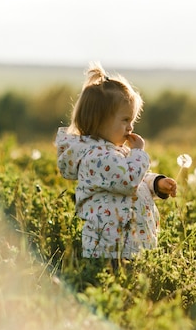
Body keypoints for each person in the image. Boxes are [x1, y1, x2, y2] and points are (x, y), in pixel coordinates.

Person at [56, 62, 177, 260]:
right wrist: (138, 153)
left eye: (132, 121)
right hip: (109, 249)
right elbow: (128, 181)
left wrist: (155, 183)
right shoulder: (95, 158)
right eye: (125, 120)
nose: (130, 127)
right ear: (99, 120)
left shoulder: (112, 153)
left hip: (127, 243)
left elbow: (135, 177)